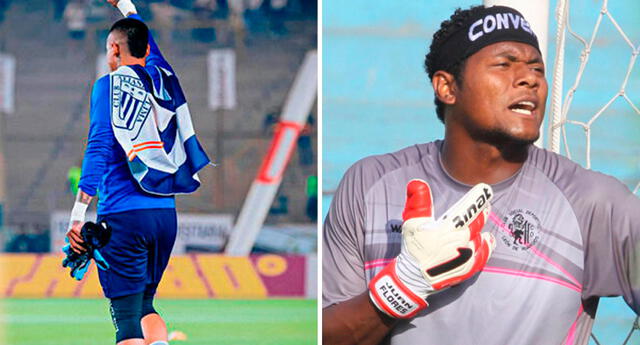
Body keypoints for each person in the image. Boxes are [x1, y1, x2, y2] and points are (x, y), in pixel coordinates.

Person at [322, 5, 640, 345]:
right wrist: (404, 285)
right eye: (504, 64)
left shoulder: (593, 202)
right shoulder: (371, 184)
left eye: (537, 68)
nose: (530, 78)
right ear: (446, 87)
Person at [64, 0, 209, 344]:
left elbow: (98, 146)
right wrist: (127, 5)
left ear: (113, 48)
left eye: (108, 49)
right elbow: (147, 42)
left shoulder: (108, 86)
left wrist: (78, 213)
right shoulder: (164, 77)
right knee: (146, 305)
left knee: (126, 321)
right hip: (164, 217)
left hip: (124, 218)